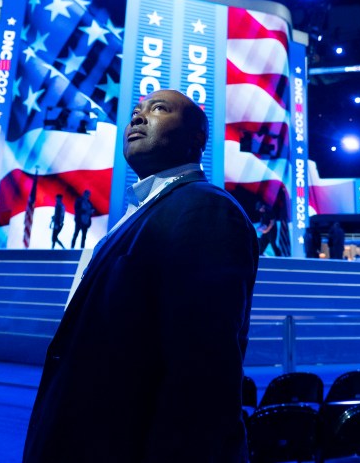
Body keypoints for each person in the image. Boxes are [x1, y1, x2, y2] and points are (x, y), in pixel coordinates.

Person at [24, 89, 258, 462]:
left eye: (159, 109)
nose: (137, 117)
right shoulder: (141, 214)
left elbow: (202, 372)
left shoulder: (204, 208)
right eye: (136, 111)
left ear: (196, 138)